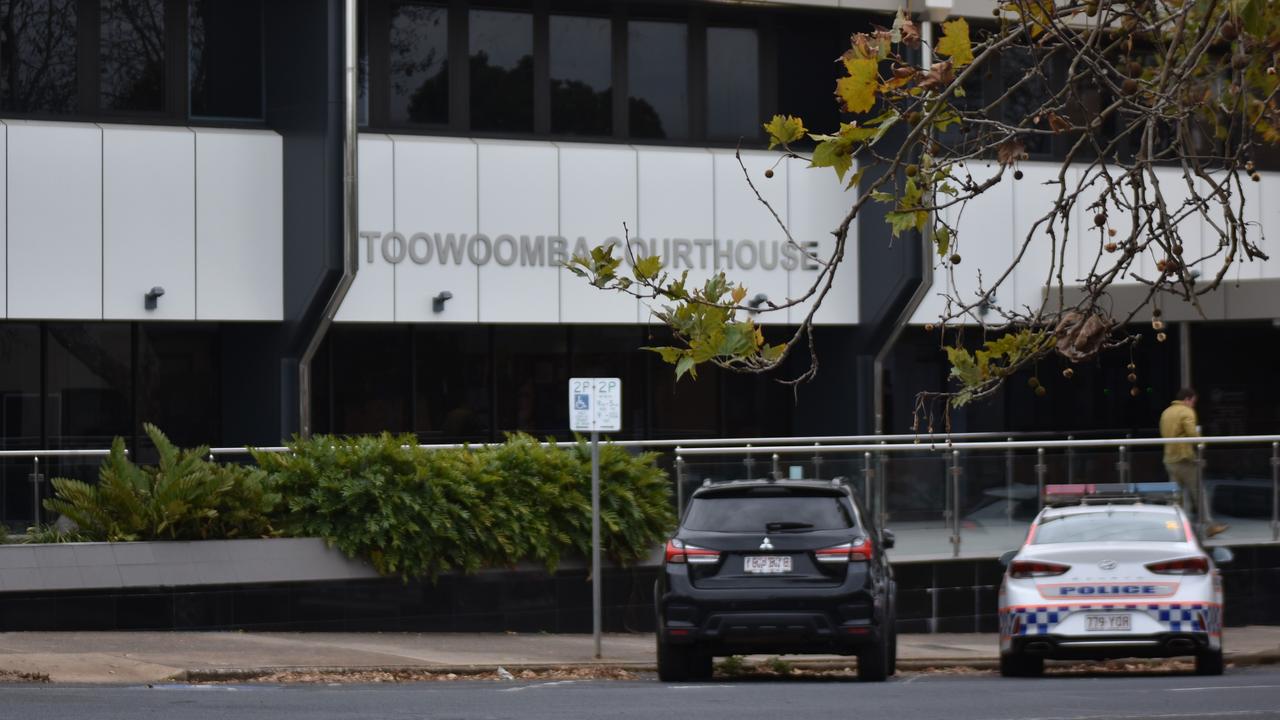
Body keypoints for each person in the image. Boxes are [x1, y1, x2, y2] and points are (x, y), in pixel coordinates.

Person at [1159, 388, 1227, 538]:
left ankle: (1175, 528)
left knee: (1176, 496)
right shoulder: (1186, 411)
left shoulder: (1166, 412)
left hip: (1169, 458)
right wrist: (1202, 442)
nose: (1193, 405)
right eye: (1193, 402)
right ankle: (1209, 526)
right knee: (1199, 492)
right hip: (1185, 458)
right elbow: (1192, 433)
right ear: (1188, 399)